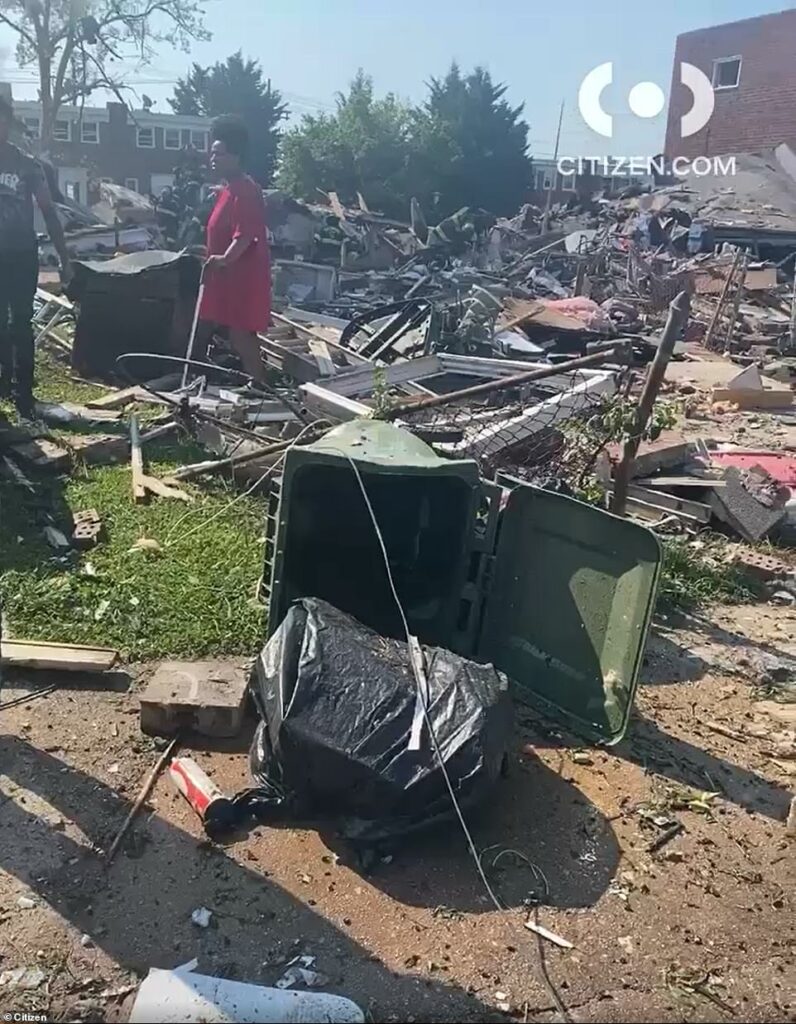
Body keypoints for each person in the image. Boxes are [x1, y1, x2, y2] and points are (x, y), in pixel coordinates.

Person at [0, 96, 71, 416]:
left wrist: (65, 258)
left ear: (8, 124)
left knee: (21, 323)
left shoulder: (28, 164)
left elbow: (49, 211)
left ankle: (24, 393)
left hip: (21, 255)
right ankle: (3, 386)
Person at [199, 116, 270, 380]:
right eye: (212, 153)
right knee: (227, 330)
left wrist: (224, 259)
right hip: (226, 276)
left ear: (236, 157)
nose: (213, 158)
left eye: (220, 153)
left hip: (242, 276)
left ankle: (263, 386)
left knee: (241, 334)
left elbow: (245, 235)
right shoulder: (228, 190)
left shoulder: (246, 191)